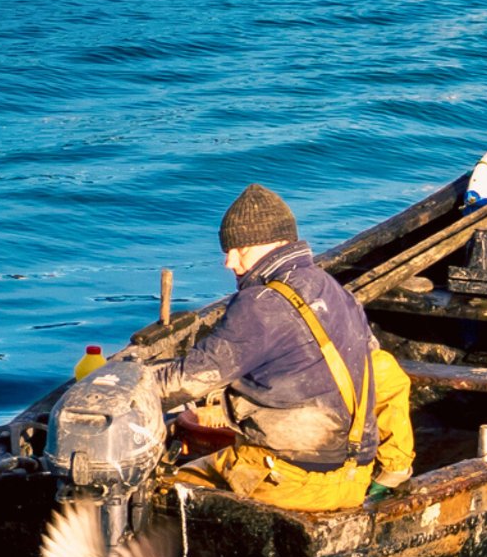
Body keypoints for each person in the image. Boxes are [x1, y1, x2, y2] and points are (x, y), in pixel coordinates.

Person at [153, 184, 413, 512]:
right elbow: (386, 378)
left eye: (240, 249)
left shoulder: (259, 304)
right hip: (352, 479)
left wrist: (128, 385)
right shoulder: (332, 289)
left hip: (288, 483)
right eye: (227, 249)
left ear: (276, 243)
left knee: (162, 493)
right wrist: (393, 470)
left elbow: (190, 381)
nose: (229, 262)